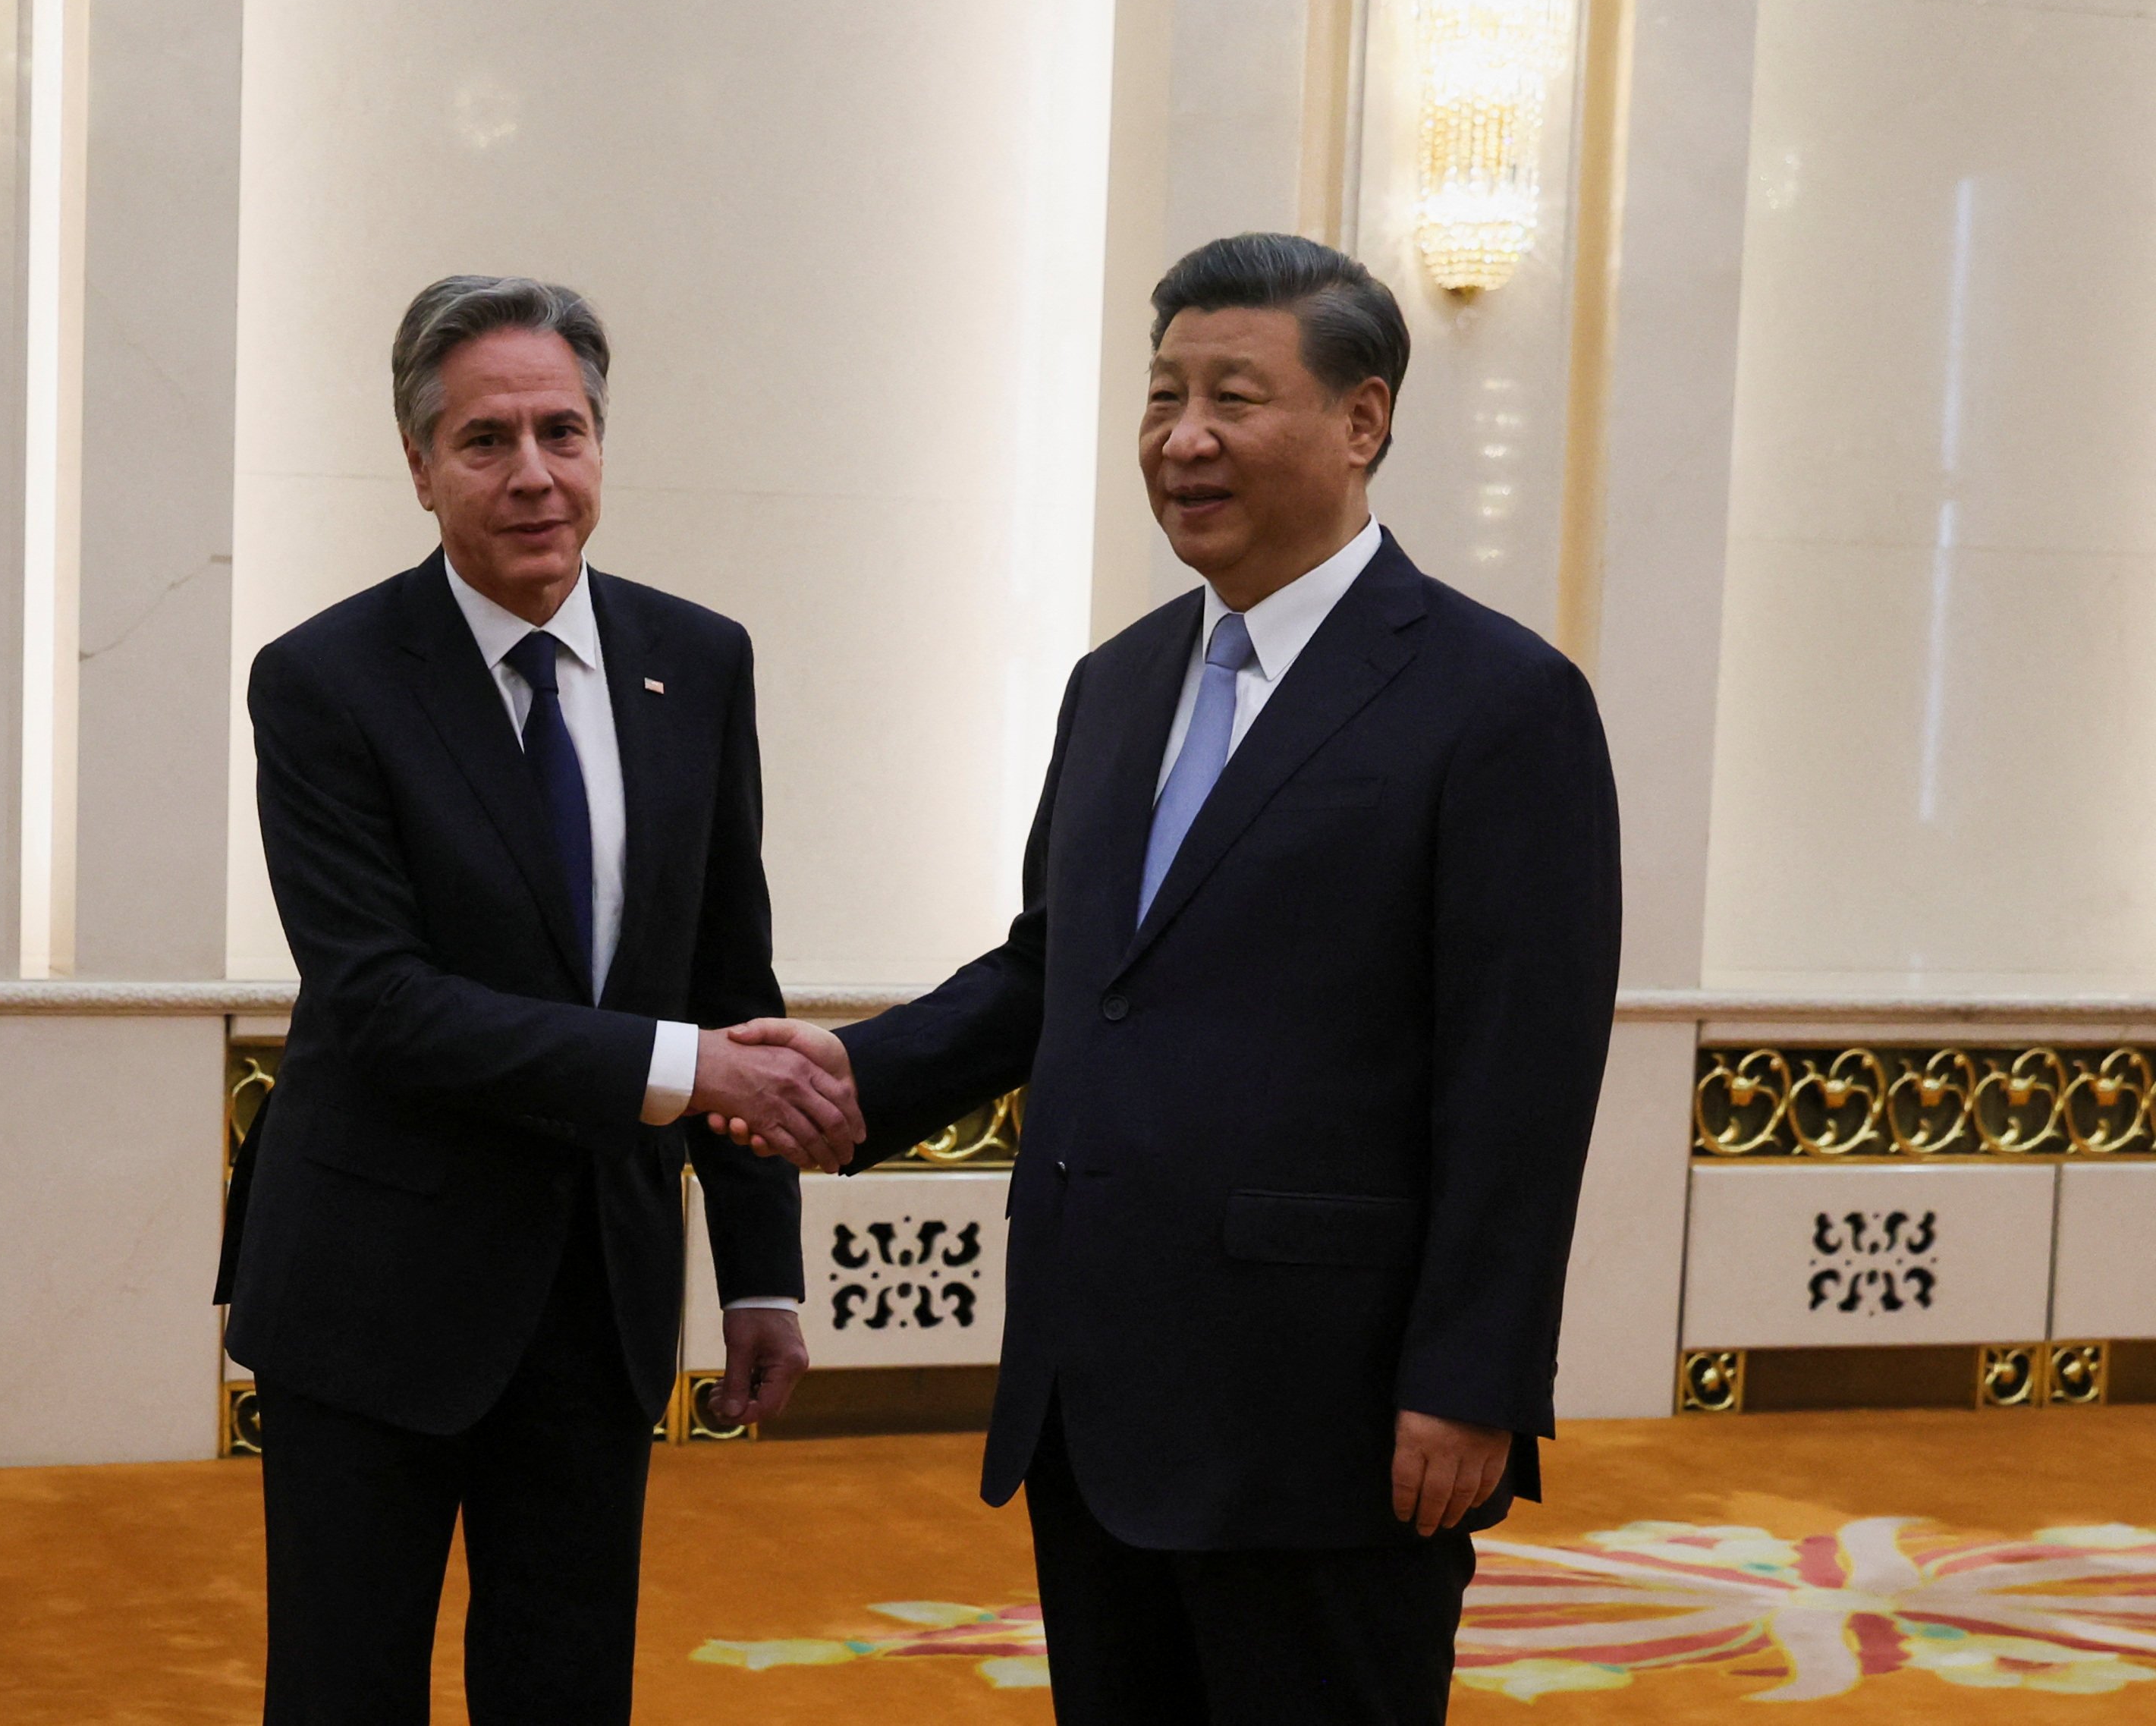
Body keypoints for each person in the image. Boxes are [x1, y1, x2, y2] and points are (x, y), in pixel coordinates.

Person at [715, 233, 1621, 1724]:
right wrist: (848, 1078)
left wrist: (1473, 1379)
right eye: (1160, 395)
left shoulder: (1498, 701)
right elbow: (1059, 972)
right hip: (1096, 1392)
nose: (1182, 437)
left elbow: (1521, 1078)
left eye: (1231, 397)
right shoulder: (1117, 682)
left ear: (1361, 420)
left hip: (1329, 1417)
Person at [213, 275, 864, 1725]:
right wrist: (689, 1069)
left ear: (600, 444)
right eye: (485, 439)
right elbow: (382, 1002)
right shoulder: (322, 681)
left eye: (561, 431)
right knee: (344, 1683)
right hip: (371, 1288)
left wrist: (760, 1273)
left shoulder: (696, 660)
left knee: (567, 1684)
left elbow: (728, 978)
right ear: (418, 465)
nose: (531, 475)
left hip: (597, 1285)